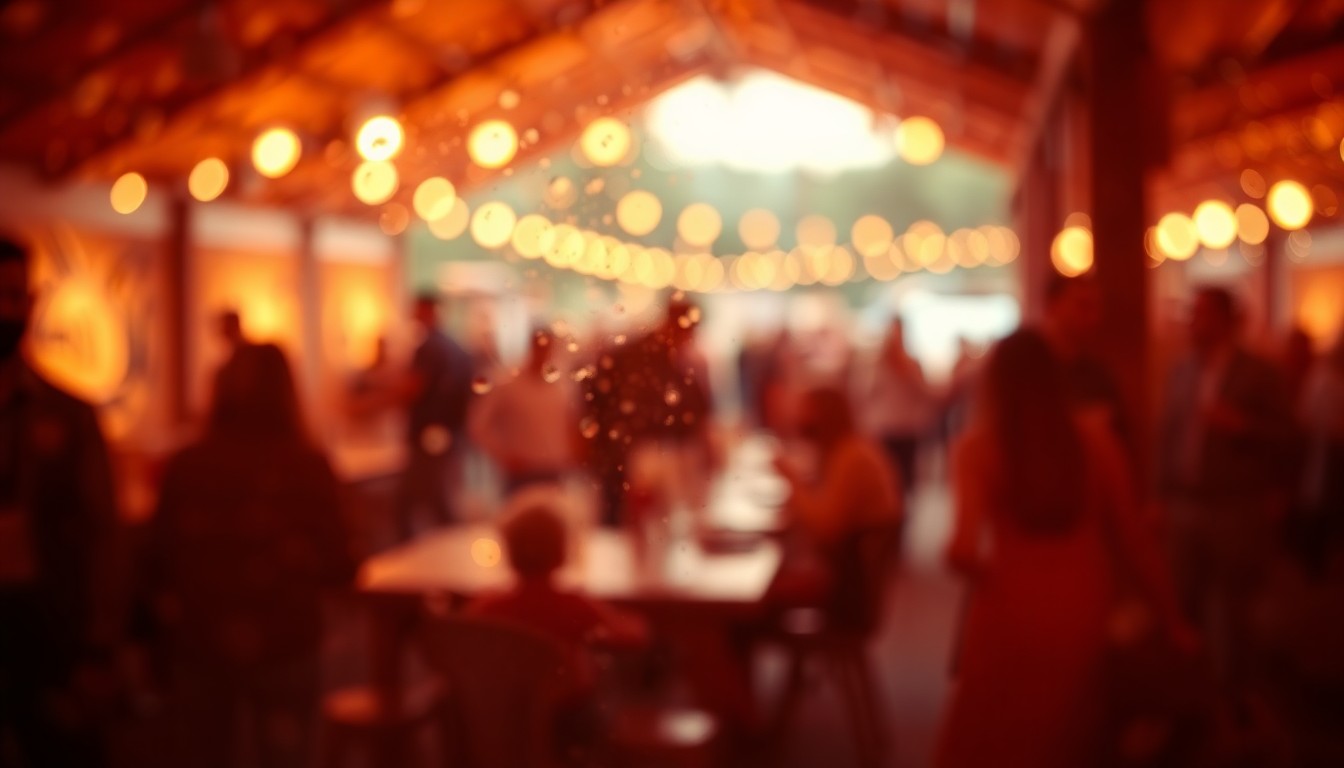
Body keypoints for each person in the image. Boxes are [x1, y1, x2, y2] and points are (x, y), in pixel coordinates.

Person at [937, 330, 1190, 768]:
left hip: (1007, 611)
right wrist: (1172, 621)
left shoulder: (975, 450)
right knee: (1070, 738)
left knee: (994, 739)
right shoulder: (1097, 444)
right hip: (1082, 606)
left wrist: (987, 573)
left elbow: (961, 550)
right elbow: (1135, 543)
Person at [145, 343, 355, 768]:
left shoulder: (187, 464)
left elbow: (156, 562)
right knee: (287, 757)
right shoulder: (307, 465)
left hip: (200, 639)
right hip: (286, 638)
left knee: (202, 754)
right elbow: (340, 565)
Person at [0, 236, 120, 768]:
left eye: (12, 295)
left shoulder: (68, 415)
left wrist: (98, 648)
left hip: (48, 634)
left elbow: (104, 537)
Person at [1157, 287, 1294, 689]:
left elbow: (1290, 436)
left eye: (1202, 314)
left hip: (1235, 508)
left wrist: (1243, 427)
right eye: (1192, 314)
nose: (1194, 322)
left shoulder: (1260, 373)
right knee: (1182, 603)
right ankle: (1188, 694)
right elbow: (1167, 435)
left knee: (1233, 609)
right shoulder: (1181, 371)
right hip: (1185, 504)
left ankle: (1234, 696)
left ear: (1227, 320)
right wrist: (1159, 495)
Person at [773, 387, 903, 626]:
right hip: (849, 578)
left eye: (805, 414)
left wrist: (792, 481)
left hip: (847, 591)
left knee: (754, 603)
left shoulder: (850, 457)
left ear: (824, 416)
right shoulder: (851, 448)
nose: (798, 421)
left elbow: (826, 529)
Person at [582, 297, 714, 526]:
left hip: (638, 456)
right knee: (633, 532)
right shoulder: (639, 356)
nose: (690, 339)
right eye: (689, 331)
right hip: (633, 459)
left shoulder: (668, 358)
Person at [395, 292, 473, 539]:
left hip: (429, 437)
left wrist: (373, 401)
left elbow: (413, 389)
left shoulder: (430, 347)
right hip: (450, 435)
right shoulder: (455, 346)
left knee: (416, 502)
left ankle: (431, 554)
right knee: (437, 498)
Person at [468, 329, 581, 497]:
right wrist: (502, 455)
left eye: (548, 349)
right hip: (522, 471)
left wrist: (572, 453)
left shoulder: (562, 386)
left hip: (554, 468)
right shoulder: (508, 384)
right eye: (541, 348)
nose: (545, 354)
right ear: (531, 348)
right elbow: (478, 425)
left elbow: (569, 423)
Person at [1040, 274, 1129, 441]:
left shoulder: (1100, 378)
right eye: (1083, 306)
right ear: (1052, 306)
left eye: (1095, 307)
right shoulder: (1030, 374)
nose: (1093, 318)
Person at [866, 318, 934, 498]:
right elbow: (866, 394)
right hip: (885, 429)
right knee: (886, 479)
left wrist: (907, 371)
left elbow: (925, 393)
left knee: (905, 480)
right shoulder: (877, 365)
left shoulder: (912, 363)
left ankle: (901, 517)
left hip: (906, 429)